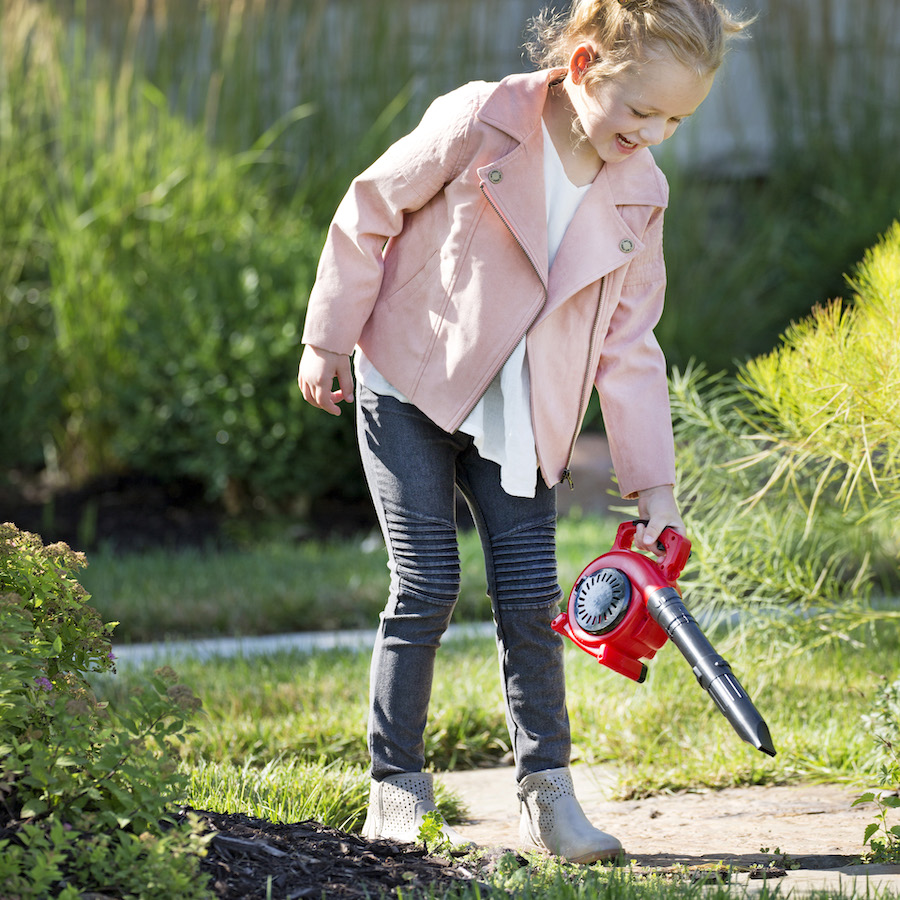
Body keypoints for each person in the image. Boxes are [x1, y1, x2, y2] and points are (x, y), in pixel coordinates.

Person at [298, 0, 749, 864]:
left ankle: (549, 797)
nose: (655, 134)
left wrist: (655, 487)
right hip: (411, 386)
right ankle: (395, 789)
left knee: (531, 605)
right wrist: (327, 337)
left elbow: (629, 342)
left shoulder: (639, 192)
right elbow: (370, 207)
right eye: (641, 111)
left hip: (522, 420)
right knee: (425, 587)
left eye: (676, 120)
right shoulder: (483, 118)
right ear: (582, 68)